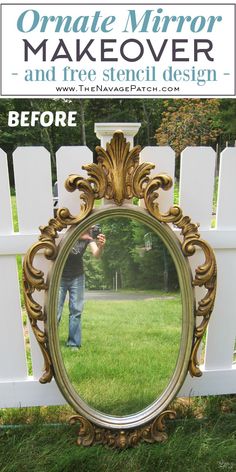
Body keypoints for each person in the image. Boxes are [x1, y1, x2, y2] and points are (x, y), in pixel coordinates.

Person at [57, 225, 106, 348]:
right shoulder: (67, 231)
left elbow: (96, 254)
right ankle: (51, 341)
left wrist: (101, 246)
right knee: (56, 311)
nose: (91, 228)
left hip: (77, 277)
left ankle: (73, 344)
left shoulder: (88, 237)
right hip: (60, 276)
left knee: (76, 311)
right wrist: (78, 235)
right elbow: (59, 247)